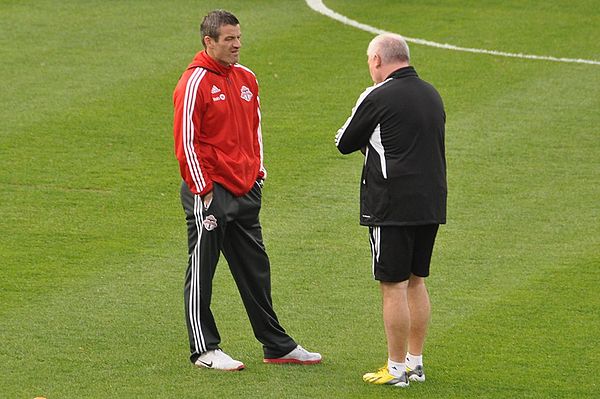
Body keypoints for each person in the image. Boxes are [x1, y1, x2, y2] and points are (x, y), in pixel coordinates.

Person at [173, 9, 321, 371]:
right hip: (211, 192)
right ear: (209, 42)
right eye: (229, 39)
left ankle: (276, 345)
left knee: (256, 270)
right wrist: (204, 191)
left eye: (238, 37)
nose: (237, 44)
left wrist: (258, 171)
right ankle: (204, 349)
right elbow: (186, 141)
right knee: (201, 271)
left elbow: (254, 129)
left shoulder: (247, 78)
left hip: (245, 188)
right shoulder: (194, 83)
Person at [335, 33, 446, 387]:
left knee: (393, 286)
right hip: (430, 202)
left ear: (378, 60)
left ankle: (396, 368)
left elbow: (344, 141)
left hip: (392, 205)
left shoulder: (378, 94)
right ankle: (415, 362)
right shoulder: (432, 93)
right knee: (417, 281)